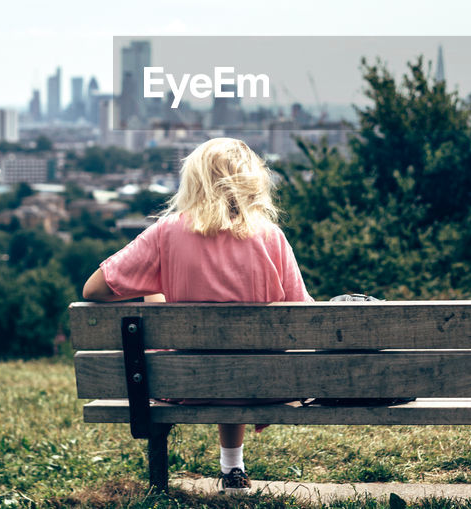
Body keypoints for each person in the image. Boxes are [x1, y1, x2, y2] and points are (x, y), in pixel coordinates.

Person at [82, 137, 312, 495]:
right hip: (262, 386)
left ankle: (221, 467)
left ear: (194, 180)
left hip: (184, 384)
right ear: (252, 181)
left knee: (167, 307)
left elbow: (93, 290)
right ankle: (232, 467)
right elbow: (303, 316)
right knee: (235, 357)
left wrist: (154, 293)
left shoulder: (167, 231)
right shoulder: (270, 236)